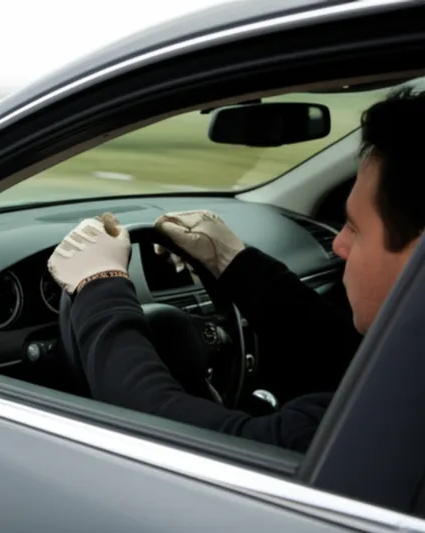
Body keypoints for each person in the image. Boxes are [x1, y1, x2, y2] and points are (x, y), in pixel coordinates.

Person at [46, 86, 425, 452]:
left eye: (355, 229)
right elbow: (348, 359)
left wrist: (99, 287)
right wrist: (233, 262)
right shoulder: (404, 371)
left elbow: (193, 440)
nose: (339, 245)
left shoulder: (376, 426)